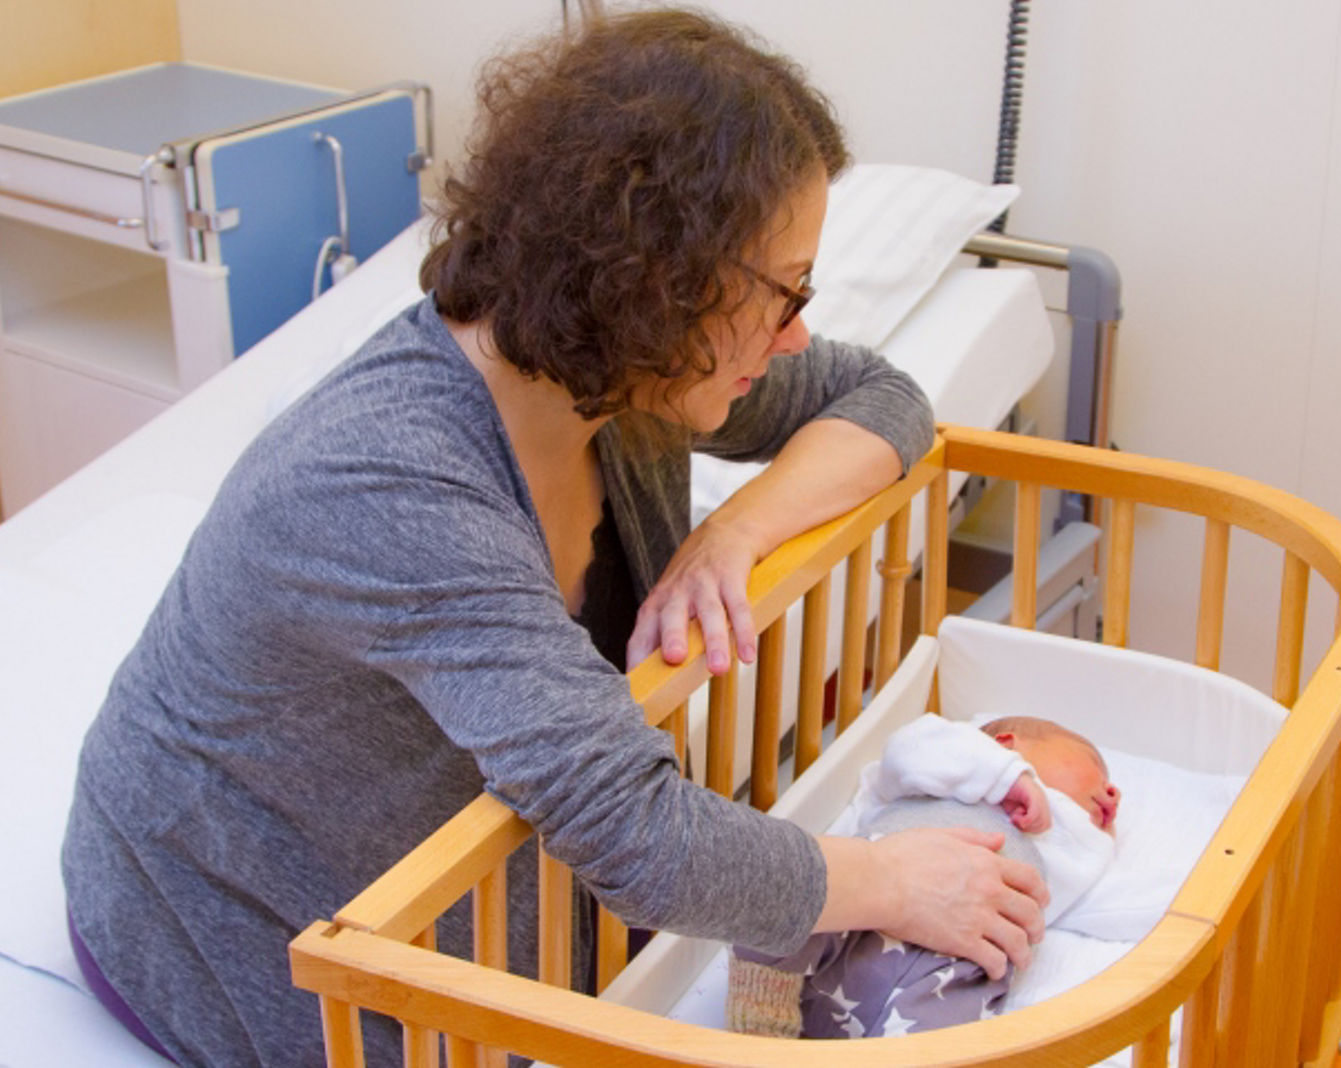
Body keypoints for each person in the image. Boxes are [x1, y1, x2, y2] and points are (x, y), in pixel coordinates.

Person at [60, 10, 1047, 1066]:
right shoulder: (391, 484)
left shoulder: (636, 380)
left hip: (466, 889)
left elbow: (883, 398)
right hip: (234, 923)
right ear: (658, 280)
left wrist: (733, 534)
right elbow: (638, 837)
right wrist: (894, 878)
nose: (797, 331)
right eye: (783, 293)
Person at [729, 715, 1120, 1039]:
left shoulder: (1074, 841)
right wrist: (1007, 777)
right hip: (866, 899)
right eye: (1093, 764)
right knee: (788, 893)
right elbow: (908, 749)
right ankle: (760, 1022)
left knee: (951, 1034)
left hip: (953, 962)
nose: (1112, 789)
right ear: (1006, 743)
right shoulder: (959, 765)